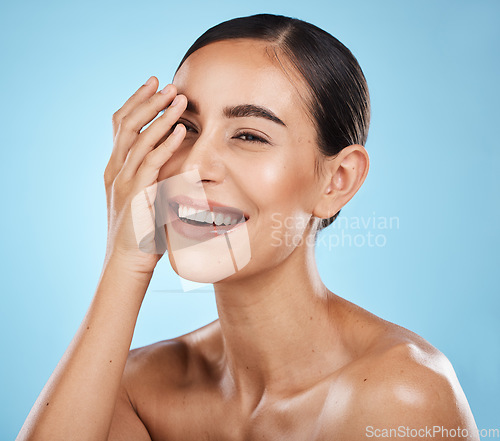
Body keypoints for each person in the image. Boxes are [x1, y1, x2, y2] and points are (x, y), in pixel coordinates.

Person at [18, 13, 479, 441]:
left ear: (337, 181)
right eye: (186, 127)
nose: (194, 166)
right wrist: (125, 259)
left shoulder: (401, 396)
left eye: (249, 136)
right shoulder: (133, 389)